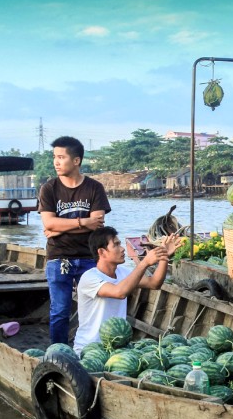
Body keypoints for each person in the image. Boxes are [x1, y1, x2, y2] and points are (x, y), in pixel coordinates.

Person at [38, 136, 112, 346]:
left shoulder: (94, 188)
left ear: (76, 160)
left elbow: (97, 224)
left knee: (94, 308)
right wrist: (83, 222)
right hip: (58, 257)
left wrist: (58, 227)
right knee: (60, 311)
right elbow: (48, 223)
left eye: (61, 157)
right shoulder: (49, 188)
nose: (56, 162)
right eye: (55, 157)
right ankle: (59, 351)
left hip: (89, 257)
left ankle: (90, 349)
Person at [73, 227, 179, 353]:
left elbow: (154, 283)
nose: (122, 249)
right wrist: (144, 263)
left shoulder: (123, 272)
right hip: (90, 349)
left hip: (116, 349)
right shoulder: (89, 277)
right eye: (116, 245)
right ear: (101, 252)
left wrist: (163, 257)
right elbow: (119, 292)